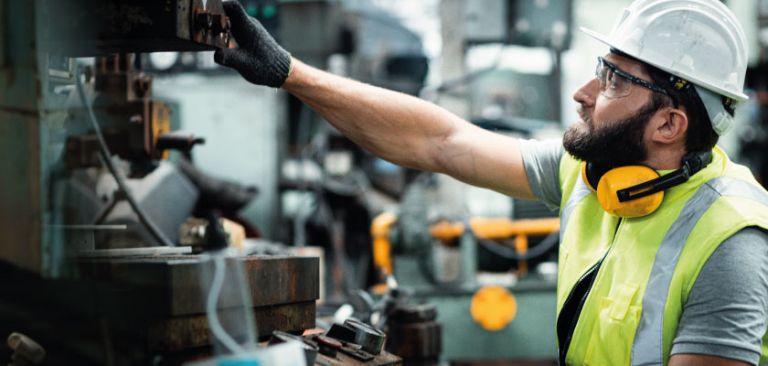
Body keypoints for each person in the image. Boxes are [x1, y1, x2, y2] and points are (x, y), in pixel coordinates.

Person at [213, 0, 768, 364]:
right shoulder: (592, 176)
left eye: (612, 81)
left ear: (669, 124)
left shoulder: (730, 243)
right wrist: (290, 72)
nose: (583, 94)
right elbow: (441, 142)